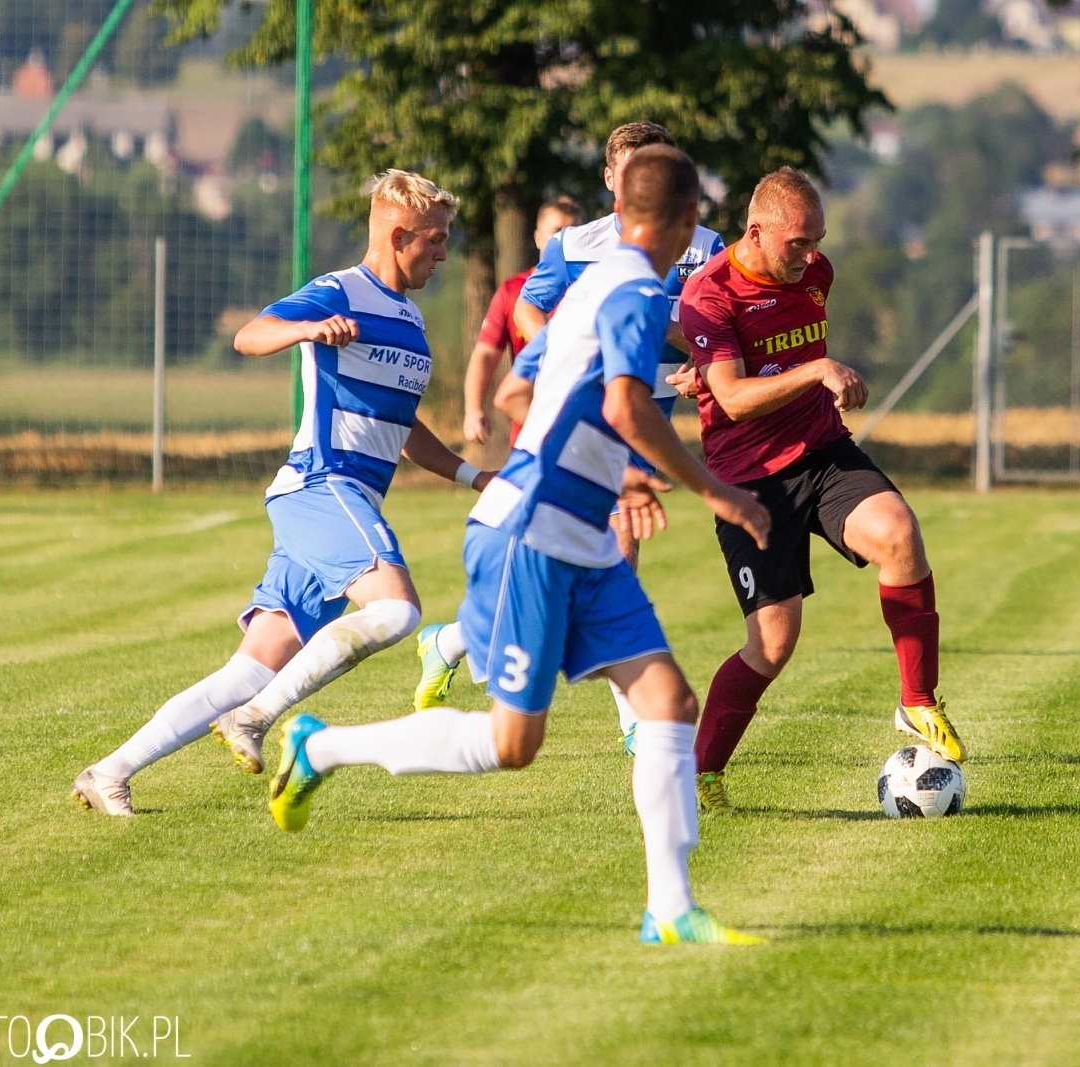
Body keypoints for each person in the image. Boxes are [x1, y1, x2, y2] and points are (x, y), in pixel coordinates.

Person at [264, 146, 772, 946]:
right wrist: (718, 491)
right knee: (512, 743)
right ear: (687, 220)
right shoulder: (638, 292)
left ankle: (671, 910)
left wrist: (609, 471)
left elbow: (518, 388)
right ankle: (319, 747)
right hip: (532, 530)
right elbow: (628, 406)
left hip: (581, 530)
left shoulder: (591, 286)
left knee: (669, 704)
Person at [70, 169, 493, 816]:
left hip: (343, 503)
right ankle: (255, 718)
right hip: (324, 485)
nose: (443, 253)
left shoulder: (410, 318)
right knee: (398, 612)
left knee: (250, 668)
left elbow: (402, 427)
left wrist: (473, 476)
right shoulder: (338, 290)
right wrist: (307, 330)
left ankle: (108, 772)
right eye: (434, 240)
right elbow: (250, 334)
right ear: (398, 235)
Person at [413, 121, 722, 750]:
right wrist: (571, 353)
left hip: (639, 425)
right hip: (597, 427)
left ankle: (450, 642)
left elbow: (712, 326)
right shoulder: (578, 248)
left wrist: (704, 360)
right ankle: (636, 718)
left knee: (591, 571)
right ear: (611, 179)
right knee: (609, 555)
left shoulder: (704, 246)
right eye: (629, 170)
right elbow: (529, 310)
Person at [675, 167, 967, 814]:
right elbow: (732, 397)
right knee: (773, 644)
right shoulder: (710, 292)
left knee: (900, 535)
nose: (811, 257)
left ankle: (917, 700)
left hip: (823, 451)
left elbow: (764, 358)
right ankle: (699, 774)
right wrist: (813, 369)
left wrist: (788, 373)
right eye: (798, 243)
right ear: (757, 232)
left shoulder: (815, 274)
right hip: (750, 480)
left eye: (817, 242)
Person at [461, 196, 583, 446]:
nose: (565, 240)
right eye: (557, 232)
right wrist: (473, 410)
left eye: (574, 232)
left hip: (585, 423)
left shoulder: (595, 287)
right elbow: (486, 354)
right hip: (529, 429)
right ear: (537, 237)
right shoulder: (513, 290)